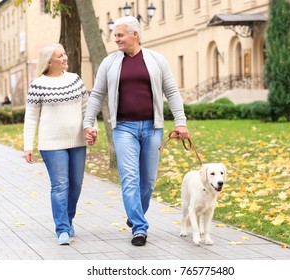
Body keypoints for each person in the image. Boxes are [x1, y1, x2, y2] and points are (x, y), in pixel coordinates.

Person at [83, 16, 189, 246]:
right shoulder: (109, 63)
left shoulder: (156, 60)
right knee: (130, 178)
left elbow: (172, 91)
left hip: (152, 128)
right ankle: (139, 228)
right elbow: (97, 94)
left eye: (120, 35)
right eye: (115, 35)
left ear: (135, 35)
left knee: (148, 181)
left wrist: (181, 122)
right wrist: (88, 122)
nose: (116, 39)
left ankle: (134, 214)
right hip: (123, 129)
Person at [23, 43, 95, 245]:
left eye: (64, 54)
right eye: (60, 56)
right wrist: (28, 146)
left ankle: (68, 219)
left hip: (77, 142)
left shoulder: (75, 80)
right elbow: (31, 117)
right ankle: (62, 228)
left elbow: (86, 109)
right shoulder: (38, 84)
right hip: (51, 144)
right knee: (60, 185)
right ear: (49, 61)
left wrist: (91, 128)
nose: (65, 58)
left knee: (76, 185)